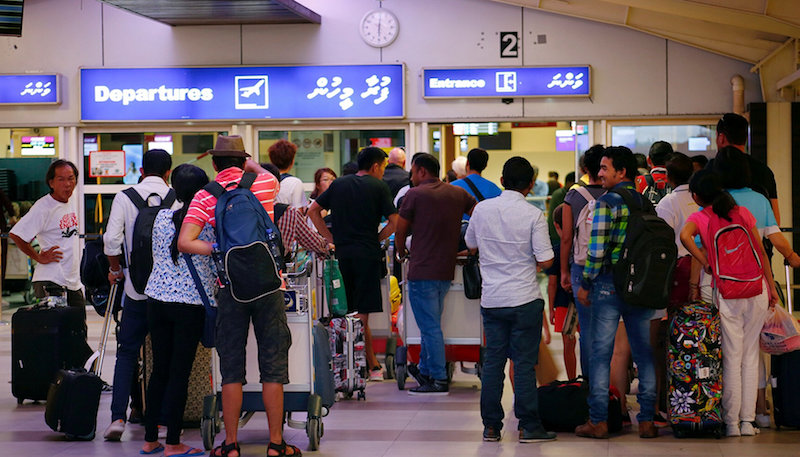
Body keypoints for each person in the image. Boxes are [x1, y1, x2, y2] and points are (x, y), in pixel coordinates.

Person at [177, 135, 300, 457]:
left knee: (232, 367)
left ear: (214, 164)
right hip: (269, 285)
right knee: (273, 365)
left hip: (230, 286)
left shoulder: (205, 195)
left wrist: (220, 250)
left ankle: (230, 445)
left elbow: (185, 242)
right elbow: (261, 171)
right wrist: (249, 162)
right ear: (242, 160)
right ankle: (276, 443)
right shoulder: (264, 182)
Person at [679, 169, 778, 437]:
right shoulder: (742, 213)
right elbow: (761, 252)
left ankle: (732, 423)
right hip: (755, 288)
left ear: (698, 196)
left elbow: (684, 237)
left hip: (728, 292)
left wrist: (705, 262)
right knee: (750, 356)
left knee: (732, 357)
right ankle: (748, 422)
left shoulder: (700, 217)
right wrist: (770, 287)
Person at [465, 156, 557, 443]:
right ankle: (529, 427)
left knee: (493, 364)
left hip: (493, 301)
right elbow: (545, 260)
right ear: (530, 185)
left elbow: (470, 244)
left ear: (502, 181)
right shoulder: (533, 215)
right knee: (524, 364)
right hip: (525, 300)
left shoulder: (482, 210)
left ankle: (491, 427)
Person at [575, 146, 658, 439]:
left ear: (621, 172)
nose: (599, 173)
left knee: (600, 353)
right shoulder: (644, 202)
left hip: (610, 283)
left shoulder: (606, 203)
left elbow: (596, 251)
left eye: (605, 168)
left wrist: (586, 284)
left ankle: (599, 421)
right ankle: (647, 420)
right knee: (644, 353)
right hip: (641, 285)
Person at [101, 149, 176, 441]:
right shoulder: (175, 197)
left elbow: (111, 241)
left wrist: (117, 269)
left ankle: (118, 418)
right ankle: (158, 421)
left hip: (135, 289)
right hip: (167, 292)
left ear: (141, 170)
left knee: (127, 354)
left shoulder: (125, 196)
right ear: (168, 172)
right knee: (164, 355)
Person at [308, 147, 399, 381]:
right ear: (376, 166)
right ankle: (368, 365)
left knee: (343, 311)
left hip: (342, 256)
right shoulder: (378, 187)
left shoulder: (339, 185)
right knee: (362, 314)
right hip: (367, 255)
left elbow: (313, 211)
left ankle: (351, 364)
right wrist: (377, 238)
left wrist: (330, 239)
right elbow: (395, 222)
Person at [140, 164, 212, 457]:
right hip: (189, 304)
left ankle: (149, 440)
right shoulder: (206, 223)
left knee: (159, 371)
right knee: (179, 373)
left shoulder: (159, 218)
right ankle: (173, 442)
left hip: (156, 300)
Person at [394, 153, 476, 395]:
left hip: (422, 269)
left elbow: (400, 231)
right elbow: (479, 214)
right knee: (432, 324)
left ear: (421, 171)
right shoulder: (456, 193)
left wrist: (401, 253)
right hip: (445, 269)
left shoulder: (414, 194)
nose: (411, 175)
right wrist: (471, 246)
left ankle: (438, 378)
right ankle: (426, 370)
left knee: (429, 327)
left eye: (412, 171)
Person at [8, 159, 93, 359]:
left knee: (78, 333)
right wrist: (37, 256)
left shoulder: (70, 202)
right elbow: (17, 234)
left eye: (71, 179)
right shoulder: (43, 207)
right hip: (51, 281)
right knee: (56, 338)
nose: (67, 184)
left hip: (71, 281)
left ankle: (80, 379)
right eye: (61, 179)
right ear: (51, 182)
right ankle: (55, 383)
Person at [652, 152, 698, 424]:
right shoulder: (702, 200)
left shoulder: (668, 202)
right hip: (703, 273)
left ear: (668, 177)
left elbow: (664, 243)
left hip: (677, 276)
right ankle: (699, 399)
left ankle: (670, 404)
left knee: (672, 339)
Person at [559, 145, 606, 377]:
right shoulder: (617, 195)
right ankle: (612, 386)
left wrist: (564, 272)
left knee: (586, 330)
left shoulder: (574, 196)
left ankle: (589, 383)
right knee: (609, 329)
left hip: (581, 267)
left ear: (584, 168)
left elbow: (567, 238)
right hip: (610, 269)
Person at [262, 164, 331, 257]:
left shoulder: (242, 207)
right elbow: (313, 241)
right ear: (277, 186)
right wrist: (330, 243)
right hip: (274, 267)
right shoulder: (289, 213)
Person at [548, 204, 577, 379]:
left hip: (562, 301)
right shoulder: (582, 246)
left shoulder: (557, 250)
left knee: (568, 344)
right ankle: (586, 381)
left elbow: (552, 283)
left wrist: (551, 308)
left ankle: (572, 379)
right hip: (583, 299)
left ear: (556, 225)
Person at [451, 148, 502, 218]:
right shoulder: (495, 190)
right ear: (485, 166)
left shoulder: (452, 187)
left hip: (459, 228)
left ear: (467, 163)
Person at [269, 139, 308, 208]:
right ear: (292, 162)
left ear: (271, 160)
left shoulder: (266, 180)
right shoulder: (295, 182)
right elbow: (298, 211)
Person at [547, 171, 575, 244]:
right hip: (557, 235)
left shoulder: (559, 193)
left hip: (557, 233)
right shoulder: (561, 195)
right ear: (569, 182)